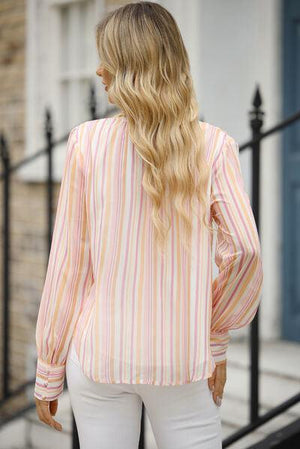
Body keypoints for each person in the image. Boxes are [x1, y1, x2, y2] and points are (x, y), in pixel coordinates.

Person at [34, 2, 263, 448]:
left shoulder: (86, 143)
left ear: (132, 66)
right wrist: (216, 335)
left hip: (99, 356)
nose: (99, 70)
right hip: (182, 362)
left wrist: (49, 369)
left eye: (109, 59)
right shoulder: (215, 147)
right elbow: (246, 251)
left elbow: (68, 267)